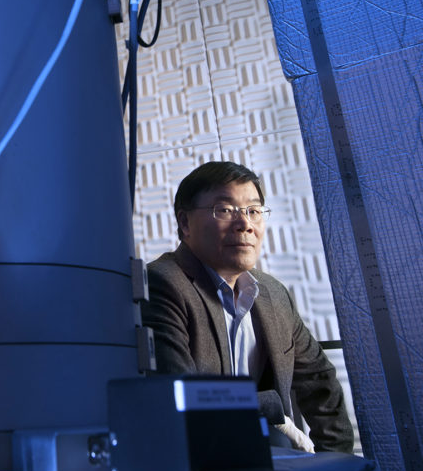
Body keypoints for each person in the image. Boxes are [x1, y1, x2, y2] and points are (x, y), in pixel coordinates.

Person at [141, 160, 354, 453]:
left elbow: (319, 381)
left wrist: (336, 466)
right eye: (225, 210)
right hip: (201, 465)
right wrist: (273, 409)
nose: (245, 224)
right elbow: (182, 394)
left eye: (254, 211)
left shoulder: (273, 293)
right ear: (185, 223)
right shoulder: (162, 283)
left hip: (276, 467)